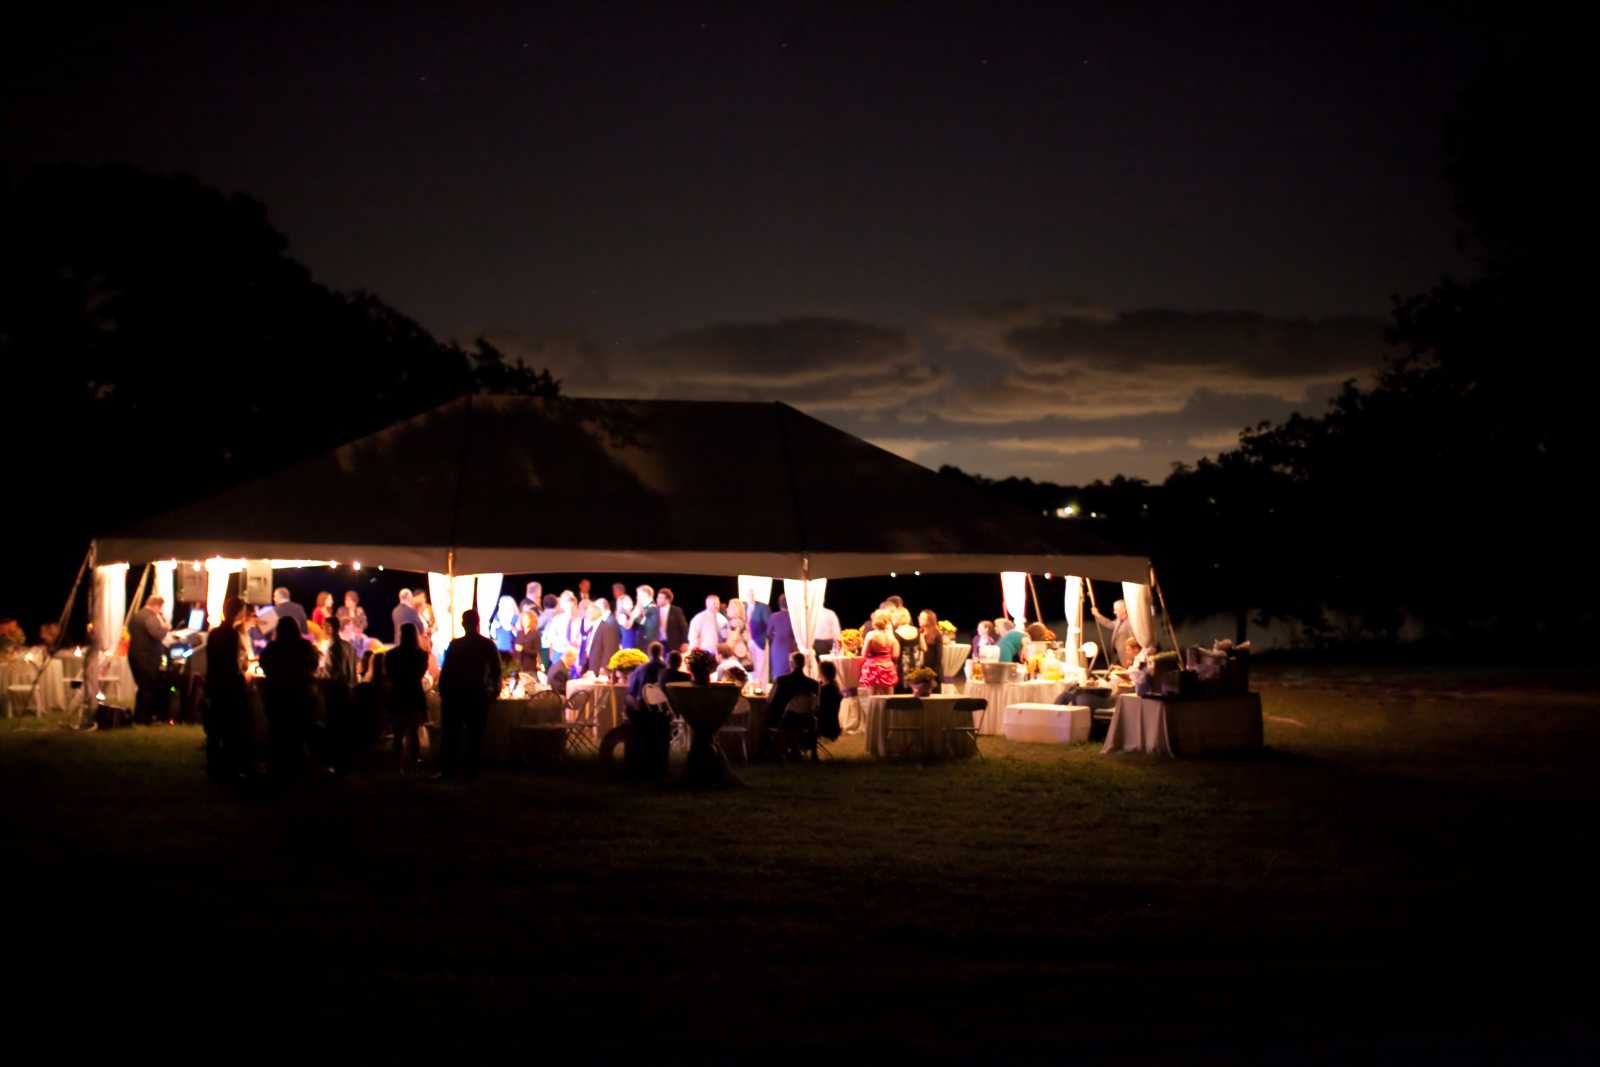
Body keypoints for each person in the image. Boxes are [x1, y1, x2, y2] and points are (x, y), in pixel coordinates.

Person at [434, 608, 500, 780]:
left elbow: (446, 671)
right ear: (478, 623)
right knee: (474, 736)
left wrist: (442, 690)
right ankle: (471, 771)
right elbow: (496, 671)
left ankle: (449, 771)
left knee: (451, 735)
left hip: (456, 695)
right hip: (476, 694)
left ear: (463, 624)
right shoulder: (487, 645)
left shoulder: (456, 644)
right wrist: (494, 692)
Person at [260, 607, 319, 782]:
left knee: (278, 731)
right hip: (300, 694)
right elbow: (313, 665)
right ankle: (298, 766)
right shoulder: (305, 647)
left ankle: (278, 766)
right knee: (298, 731)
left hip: (276, 695)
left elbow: (264, 665)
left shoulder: (272, 648)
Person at [204, 597, 251, 778]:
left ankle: (214, 765)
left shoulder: (214, 633)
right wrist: (242, 677)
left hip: (215, 683)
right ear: (239, 612)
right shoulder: (232, 635)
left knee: (215, 728)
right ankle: (229, 767)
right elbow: (231, 663)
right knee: (231, 727)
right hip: (229, 685)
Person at [385, 622, 429, 776]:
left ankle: (397, 765)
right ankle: (413, 764)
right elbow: (420, 675)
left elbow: (389, 675)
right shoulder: (422, 655)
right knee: (414, 732)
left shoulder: (391, 655)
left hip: (398, 694)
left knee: (398, 733)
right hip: (414, 695)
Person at [322, 609, 359, 773]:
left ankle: (336, 763)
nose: (322, 629)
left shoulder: (332, 648)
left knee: (334, 727)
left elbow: (332, 672)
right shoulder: (348, 646)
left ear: (331, 628)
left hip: (335, 691)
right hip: (348, 690)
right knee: (345, 727)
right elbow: (353, 670)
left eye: (324, 626)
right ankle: (346, 761)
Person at [767, 649, 821, 758]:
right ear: (804, 664)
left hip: (786, 719)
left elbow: (771, 700)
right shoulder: (813, 684)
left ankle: (779, 751)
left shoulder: (782, 681)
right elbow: (817, 705)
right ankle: (810, 752)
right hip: (807, 719)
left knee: (767, 720)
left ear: (791, 663)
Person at [127, 595, 170, 725]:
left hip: (134, 655)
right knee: (148, 688)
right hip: (146, 658)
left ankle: (139, 716)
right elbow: (157, 634)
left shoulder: (136, 616)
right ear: (156, 605)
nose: (160, 611)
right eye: (160, 608)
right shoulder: (150, 617)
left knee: (142, 687)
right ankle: (145, 719)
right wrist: (166, 627)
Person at [859, 610, 900, 695]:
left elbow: (864, 654)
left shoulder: (871, 635)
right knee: (889, 698)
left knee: (873, 698)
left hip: (873, 668)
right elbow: (895, 655)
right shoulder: (891, 637)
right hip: (888, 667)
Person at [585, 599, 624, 678]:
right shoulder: (594, 627)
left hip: (601, 671)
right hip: (593, 668)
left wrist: (604, 669)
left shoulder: (607, 627)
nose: (586, 615)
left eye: (589, 612)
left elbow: (609, 649)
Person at [1092, 599, 1136, 668]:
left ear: (1124, 610)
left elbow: (1133, 643)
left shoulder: (1130, 623)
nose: (1114, 612)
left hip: (1127, 657)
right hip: (1118, 655)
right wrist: (1097, 615)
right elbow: (1108, 623)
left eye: (1116, 610)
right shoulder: (1118, 621)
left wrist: (1131, 658)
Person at [767, 594, 797, 682]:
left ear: (779, 603)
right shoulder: (793, 617)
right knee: (790, 669)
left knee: (777, 670)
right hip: (790, 645)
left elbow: (768, 633)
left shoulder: (774, 616)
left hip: (777, 646)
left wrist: (775, 636)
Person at [918, 609, 945, 692]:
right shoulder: (920, 631)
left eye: (922, 618)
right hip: (922, 669)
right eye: (919, 617)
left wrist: (934, 674)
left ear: (929, 620)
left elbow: (938, 656)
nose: (919, 619)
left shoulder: (936, 634)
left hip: (933, 671)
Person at [655, 588, 689, 652]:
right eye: (658, 597)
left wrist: (685, 642)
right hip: (658, 643)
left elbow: (684, 627)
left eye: (660, 597)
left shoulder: (676, 610)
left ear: (667, 600)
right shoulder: (654, 610)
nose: (657, 599)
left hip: (673, 643)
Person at [817, 660, 843, 741]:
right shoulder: (834, 685)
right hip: (833, 725)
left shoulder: (824, 689)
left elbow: (817, 706)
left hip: (824, 725)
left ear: (822, 673)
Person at [612, 583, 637, 650]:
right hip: (619, 626)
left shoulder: (626, 599)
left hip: (625, 627)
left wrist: (622, 611)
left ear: (620, 590)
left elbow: (629, 612)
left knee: (627, 646)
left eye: (615, 591)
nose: (614, 593)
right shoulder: (618, 600)